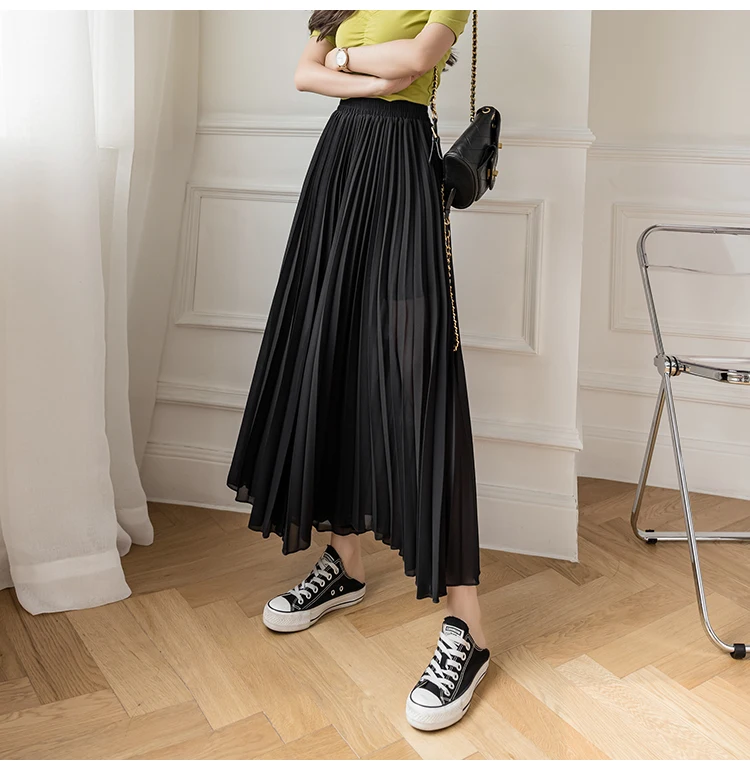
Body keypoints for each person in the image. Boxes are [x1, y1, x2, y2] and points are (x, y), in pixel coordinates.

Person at [227, 10, 488, 731]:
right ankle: (344, 561)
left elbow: (416, 62)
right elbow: (302, 73)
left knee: (421, 378)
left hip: (402, 171)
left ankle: (468, 627)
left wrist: (345, 65)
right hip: (340, 164)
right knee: (331, 349)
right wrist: (368, 72)